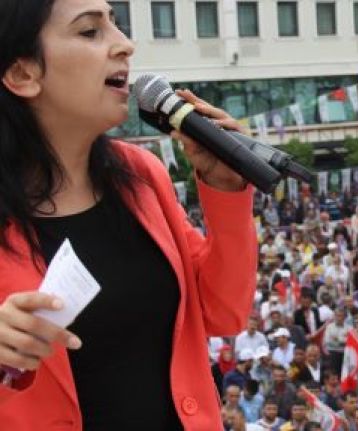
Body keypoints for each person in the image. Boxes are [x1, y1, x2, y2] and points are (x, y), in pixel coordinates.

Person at [0, 1, 257, 429]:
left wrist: (227, 191)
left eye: (115, 24)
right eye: (90, 31)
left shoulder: (141, 174)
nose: (125, 45)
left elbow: (223, 311)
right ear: (23, 73)